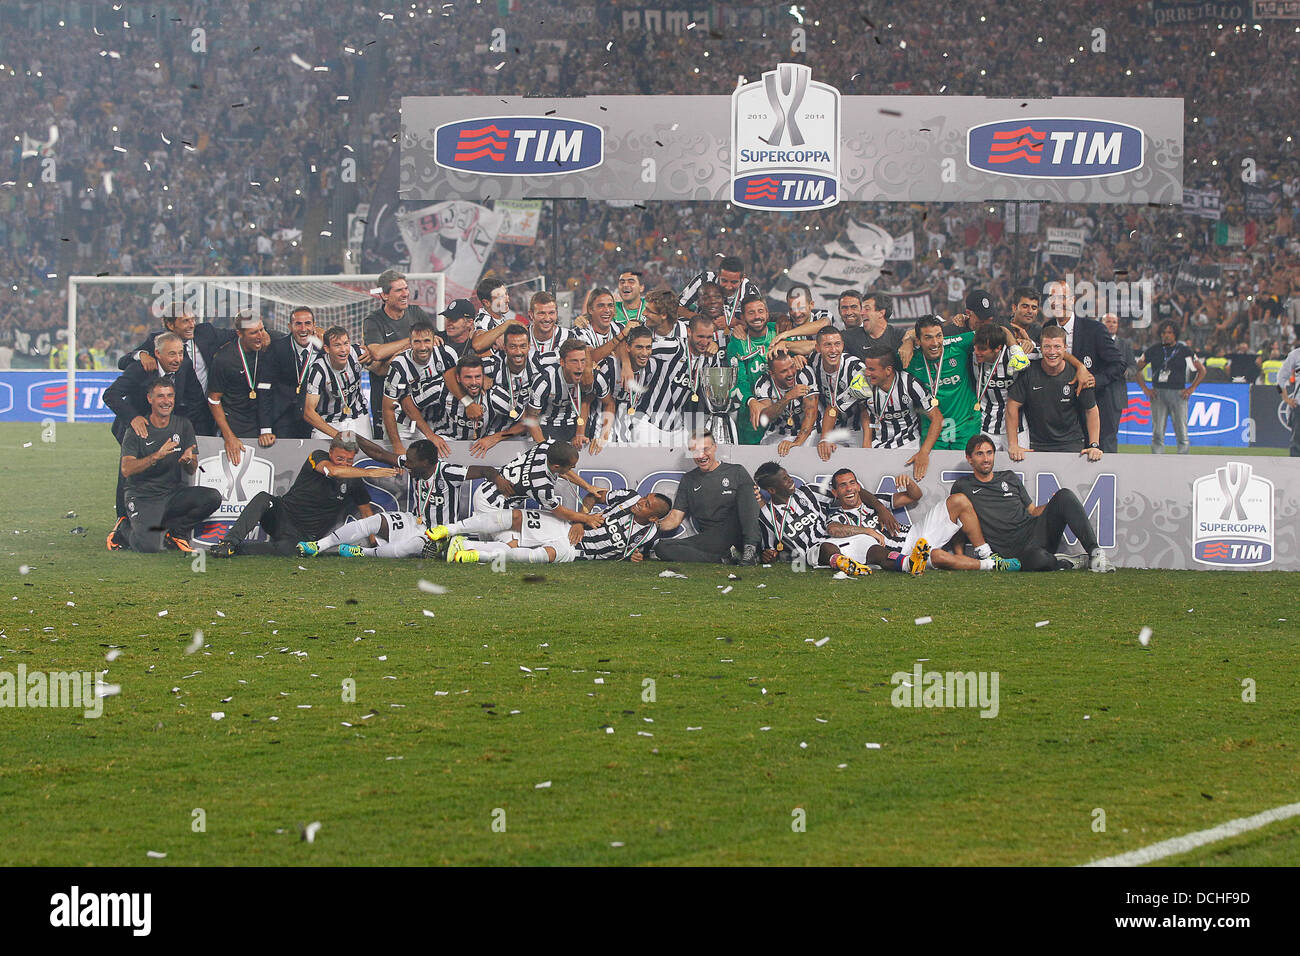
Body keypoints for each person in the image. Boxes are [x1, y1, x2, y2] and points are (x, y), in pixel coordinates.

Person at [298, 439, 509, 557]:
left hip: (439, 532)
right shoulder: (414, 464)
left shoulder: (448, 472)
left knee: (415, 546)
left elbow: (486, 470)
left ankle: (363, 553)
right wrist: (355, 436)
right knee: (373, 521)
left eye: (410, 461)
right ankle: (318, 546)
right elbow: (379, 455)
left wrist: (498, 480)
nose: (405, 464)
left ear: (427, 463)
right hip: (413, 520)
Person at [210, 431, 401, 557]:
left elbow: (367, 514)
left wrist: (377, 546)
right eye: (339, 458)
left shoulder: (354, 480)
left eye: (349, 460)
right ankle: (228, 542)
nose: (344, 463)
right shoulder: (318, 456)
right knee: (263, 498)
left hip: (304, 534)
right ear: (330, 451)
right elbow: (331, 471)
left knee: (289, 551)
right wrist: (369, 472)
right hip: (282, 515)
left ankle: (237, 551)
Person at [950, 434, 1114, 572]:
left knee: (1064, 495)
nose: (986, 459)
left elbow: (1033, 511)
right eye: (980, 454)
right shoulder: (963, 486)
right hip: (1013, 551)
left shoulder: (1009, 477)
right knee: (1040, 561)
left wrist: (1053, 504)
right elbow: (957, 525)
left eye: (989, 453)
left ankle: (1095, 554)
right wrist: (959, 555)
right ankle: (1065, 562)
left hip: (1034, 532)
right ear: (969, 458)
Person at [823, 468, 1020, 571]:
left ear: (858, 485)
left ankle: (986, 554)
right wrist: (868, 531)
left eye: (852, 483)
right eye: (842, 486)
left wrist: (909, 483)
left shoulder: (876, 501)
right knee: (937, 557)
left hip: (915, 533)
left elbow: (914, 496)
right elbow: (833, 529)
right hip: (900, 556)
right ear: (835, 491)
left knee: (958, 500)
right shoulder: (837, 514)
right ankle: (991, 567)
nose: (849, 489)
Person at [117, 378, 221, 554]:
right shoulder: (137, 429)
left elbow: (192, 468)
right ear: (150, 399)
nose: (166, 401)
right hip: (143, 496)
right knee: (149, 547)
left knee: (212, 497)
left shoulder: (183, 425)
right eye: (160, 396)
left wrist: (188, 461)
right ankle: (123, 529)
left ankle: (176, 532)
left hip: (172, 494)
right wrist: (156, 456)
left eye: (170, 396)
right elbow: (126, 469)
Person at [104, 332, 187, 538]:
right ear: (157, 354)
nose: (177, 359)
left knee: (162, 470)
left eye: (180, 353)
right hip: (135, 430)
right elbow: (111, 394)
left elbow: (189, 400)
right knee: (131, 472)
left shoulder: (184, 369)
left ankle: (158, 522)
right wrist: (133, 418)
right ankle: (123, 521)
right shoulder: (140, 369)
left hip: (163, 431)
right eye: (172, 354)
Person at [1041, 278, 1127, 453]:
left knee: (1103, 459)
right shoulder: (1047, 328)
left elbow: (1119, 364)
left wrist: (1094, 380)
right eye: (1053, 297)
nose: (1058, 302)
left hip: (1096, 406)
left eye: (1063, 297)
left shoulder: (1094, 329)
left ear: (1072, 300)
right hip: (1063, 413)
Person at [119, 308, 236, 436]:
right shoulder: (159, 341)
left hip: (203, 411)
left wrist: (261, 334)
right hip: (172, 412)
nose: (192, 325)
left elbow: (237, 333)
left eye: (193, 320)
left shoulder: (206, 332)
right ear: (170, 325)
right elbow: (122, 363)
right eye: (185, 321)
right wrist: (141, 354)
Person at [752, 463, 882, 577]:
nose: (791, 480)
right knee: (826, 547)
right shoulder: (766, 516)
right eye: (785, 480)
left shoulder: (810, 491)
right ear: (772, 490)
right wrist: (769, 555)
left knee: (867, 540)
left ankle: (900, 563)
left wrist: (881, 509)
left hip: (838, 540)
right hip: (814, 553)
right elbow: (769, 550)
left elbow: (850, 492)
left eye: (788, 476)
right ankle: (845, 563)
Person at [654, 431, 761, 565]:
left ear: (715, 447)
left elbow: (755, 508)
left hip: (739, 533)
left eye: (705, 449)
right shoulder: (688, 480)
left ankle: (750, 551)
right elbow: (675, 518)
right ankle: (725, 559)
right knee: (662, 548)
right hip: (711, 539)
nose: (701, 456)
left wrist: (754, 495)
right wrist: (650, 526)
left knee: (747, 489)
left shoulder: (736, 471)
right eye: (695, 451)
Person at [1006, 326, 1103, 460]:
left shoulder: (1078, 375)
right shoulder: (1029, 373)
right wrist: (1013, 444)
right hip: (1037, 445)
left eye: (1057, 346)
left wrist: (1094, 444)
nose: (1052, 352)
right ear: (1041, 348)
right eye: (1047, 347)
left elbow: (1091, 410)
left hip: (1071, 445)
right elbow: (1012, 406)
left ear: (1065, 347)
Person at [847, 346, 943, 476]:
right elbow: (864, 410)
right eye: (866, 368)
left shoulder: (910, 384)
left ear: (888, 370)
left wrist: (924, 452)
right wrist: (866, 442)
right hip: (876, 445)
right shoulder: (863, 381)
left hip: (908, 444)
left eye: (871, 369)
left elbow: (937, 418)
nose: (867, 373)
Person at [362, 270, 435, 435]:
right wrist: (412, 341)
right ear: (385, 295)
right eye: (399, 290)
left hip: (419, 397)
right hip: (386, 398)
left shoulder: (416, 313)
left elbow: (434, 340)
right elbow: (377, 354)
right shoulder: (373, 320)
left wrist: (398, 354)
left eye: (406, 289)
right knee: (390, 451)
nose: (405, 294)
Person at [380, 320, 457, 455]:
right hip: (402, 421)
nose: (422, 347)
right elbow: (388, 408)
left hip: (433, 420)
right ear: (410, 344)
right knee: (400, 463)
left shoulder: (447, 355)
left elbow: (459, 383)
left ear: (434, 340)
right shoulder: (399, 366)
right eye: (417, 342)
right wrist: (397, 446)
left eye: (427, 341)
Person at [208, 311, 275, 466]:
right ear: (239, 333)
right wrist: (228, 436)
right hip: (235, 425)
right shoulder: (224, 359)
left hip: (263, 424)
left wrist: (318, 332)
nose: (260, 336)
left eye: (261, 330)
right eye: (253, 333)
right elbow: (213, 399)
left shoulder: (269, 347)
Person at [1136, 320, 1207, 455]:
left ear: (1175, 334)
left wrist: (1191, 389)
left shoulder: (1184, 350)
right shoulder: (1154, 350)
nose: (1166, 335)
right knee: (1157, 433)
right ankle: (1157, 462)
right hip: (1158, 394)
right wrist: (1145, 389)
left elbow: (1202, 371)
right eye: (1163, 333)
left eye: (1169, 332)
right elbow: (1136, 369)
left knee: (1182, 432)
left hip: (1179, 394)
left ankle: (1183, 461)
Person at [303, 326, 377, 440]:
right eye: (337, 345)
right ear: (327, 349)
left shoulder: (357, 353)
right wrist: (337, 435)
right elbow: (308, 412)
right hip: (329, 422)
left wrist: (374, 356)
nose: (343, 349)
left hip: (359, 417)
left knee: (364, 457)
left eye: (346, 343)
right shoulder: (318, 370)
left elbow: (380, 370)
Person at [802, 326, 865, 460]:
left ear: (843, 345)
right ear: (818, 348)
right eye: (827, 345)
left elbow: (834, 407)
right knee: (815, 456)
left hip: (857, 428)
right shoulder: (813, 360)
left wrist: (825, 438)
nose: (833, 350)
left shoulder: (857, 369)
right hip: (829, 425)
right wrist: (796, 358)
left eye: (837, 344)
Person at [726, 294, 781, 445]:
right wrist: (751, 401)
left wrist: (796, 356)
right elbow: (738, 380)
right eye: (751, 313)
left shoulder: (779, 333)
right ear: (743, 317)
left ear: (767, 314)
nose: (757, 316)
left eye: (760, 311)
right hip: (752, 417)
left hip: (783, 415)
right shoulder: (736, 344)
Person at [263, 306, 319, 440]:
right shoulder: (277, 348)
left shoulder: (323, 349)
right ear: (290, 326)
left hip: (315, 418)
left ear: (314, 325)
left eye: (307, 323)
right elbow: (265, 391)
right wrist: (265, 428)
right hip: (282, 419)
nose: (303, 329)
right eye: (298, 324)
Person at [749, 351, 819, 455]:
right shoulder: (763, 383)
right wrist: (787, 397)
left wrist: (796, 443)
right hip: (779, 432)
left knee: (802, 454)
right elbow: (765, 418)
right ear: (772, 373)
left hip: (809, 431)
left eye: (792, 367)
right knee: (766, 458)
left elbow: (811, 412)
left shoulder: (804, 373)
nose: (790, 373)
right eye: (784, 371)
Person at [525, 338, 594, 444]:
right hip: (549, 424)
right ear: (562, 362)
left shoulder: (590, 378)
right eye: (574, 361)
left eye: (583, 361)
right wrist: (543, 447)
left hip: (576, 423)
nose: (580, 366)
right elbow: (531, 418)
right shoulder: (544, 381)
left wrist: (580, 434)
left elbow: (585, 403)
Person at [680, 255, 762, 318]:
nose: (728, 287)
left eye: (734, 282)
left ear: (742, 278)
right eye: (724, 281)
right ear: (718, 274)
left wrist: (732, 323)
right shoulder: (704, 280)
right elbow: (677, 307)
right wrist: (701, 319)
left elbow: (759, 319)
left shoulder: (750, 291)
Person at [861, 290, 903, 357]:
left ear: (881, 313)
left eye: (867, 309)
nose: (861, 313)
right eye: (861, 309)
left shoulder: (900, 336)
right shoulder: (851, 337)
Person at [1278, 342, 1300, 456]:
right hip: (1299, 405)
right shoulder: (1295, 355)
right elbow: (1280, 379)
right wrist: (1286, 399)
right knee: (1297, 444)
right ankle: (1294, 472)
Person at [837, 290, 868, 361]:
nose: (849, 312)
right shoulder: (837, 336)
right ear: (839, 311)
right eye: (844, 308)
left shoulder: (874, 334)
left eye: (854, 307)